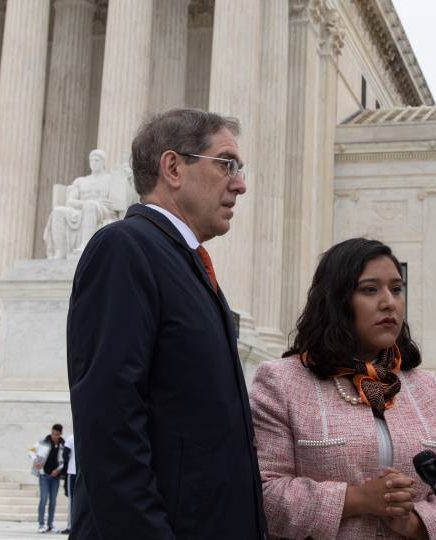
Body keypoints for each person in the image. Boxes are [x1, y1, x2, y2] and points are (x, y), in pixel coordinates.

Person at [67, 109, 266, 539]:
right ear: (173, 167)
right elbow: (110, 425)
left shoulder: (185, 263)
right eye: (227, 164)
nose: (240, 183)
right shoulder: (123, 248)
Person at [250, 238, 436, 539]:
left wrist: (414, 523)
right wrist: (357, 499)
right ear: (337, 300)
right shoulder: (281, 382)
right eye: (370, 289)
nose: (389, 302)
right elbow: (264, 494)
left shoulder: (426, 389)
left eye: (396, 289)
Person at [29, 424, 67, 534]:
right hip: (44, 476)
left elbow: (64, 461)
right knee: (43, 499)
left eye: (57, 434)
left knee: (53, 501)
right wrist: (36, 461)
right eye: (53, 433)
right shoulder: (43, 442)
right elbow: (31, 451)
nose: (55, 436)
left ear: (60, 434)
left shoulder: (62, 445)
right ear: (51, 432)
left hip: (55, 477)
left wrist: (58, 470)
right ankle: (41, 524)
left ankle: (50, 525)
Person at [61, 433, 75, 535]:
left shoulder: (70, 438)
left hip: (72, 472)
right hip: (82, 473)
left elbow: (65, 455)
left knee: (72, 500)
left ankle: (70, 526)